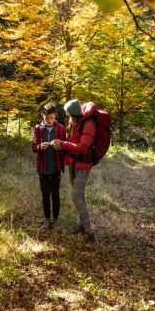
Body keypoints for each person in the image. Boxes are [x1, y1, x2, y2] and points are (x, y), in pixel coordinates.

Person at [52, 99, 97, 242]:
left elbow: (83, 147)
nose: (66, 115)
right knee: (80, 196)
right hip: (73, 163)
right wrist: (61, 144)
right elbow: (73, 142)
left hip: (83, 165)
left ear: (73, 112)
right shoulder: (75, 122)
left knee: (76, 197)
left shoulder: (88, 124)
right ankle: (83, 225)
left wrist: (63, 144)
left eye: (68, 113)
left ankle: (89, 232)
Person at [32, 103, 66, 229]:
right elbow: (34, 147)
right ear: (43, 116)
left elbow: (65, 146)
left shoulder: (61, 128)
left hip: (56, 167)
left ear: (55, 115)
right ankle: (47, 220)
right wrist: (40, 147)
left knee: (55, 194)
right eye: (47, 118)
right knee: (45, 195)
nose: (50, 120)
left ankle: (55, 220)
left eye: (52, 118)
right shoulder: (38, 128)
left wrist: (60, 146)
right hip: (42, 167)